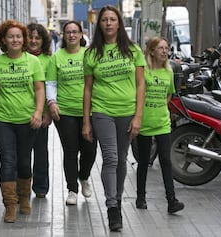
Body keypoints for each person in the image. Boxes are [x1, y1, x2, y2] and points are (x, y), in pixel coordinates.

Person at [82, 5, 145, 231]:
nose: (108, 23)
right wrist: (86, 121)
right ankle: (112, 208)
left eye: (112, 19)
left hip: (127, 112)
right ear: (99, 24)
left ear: (119, 23)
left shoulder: (133, 50)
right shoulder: (91, 53)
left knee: (121, 158)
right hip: (102, 111)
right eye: (104, 20)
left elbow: (140, 85)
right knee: (110, 158)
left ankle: (117, 198)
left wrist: (138, 116)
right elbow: (87, 89)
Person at [0, 20, 45, 223]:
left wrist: (38, 112)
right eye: (11, 36)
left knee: (24, 161)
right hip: (3, 120)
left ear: (24, 39)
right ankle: (10, 204)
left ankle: (24, 197)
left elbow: (39, 89)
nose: (15, 39)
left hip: (27, 120)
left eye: (18, 36)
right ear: (3, 40)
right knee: (8, 161)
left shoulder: (33, 62)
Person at [46, 20, 97, 206]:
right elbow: (51, 83)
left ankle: (84, 176)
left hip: (89, 112)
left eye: (75, 32)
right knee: (70, 151)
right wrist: (51, 102)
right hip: (65, 112)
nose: (72, 35)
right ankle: (72, 189)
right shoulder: (56, 58)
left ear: (81, 35)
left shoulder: (89, 55)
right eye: (68, 32)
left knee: (90, 150)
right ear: (63, 35)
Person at [135, 36, 184, 214]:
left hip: (162, 122)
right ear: (152, 51)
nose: (165, 51)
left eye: (167, 48)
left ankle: (171, 200)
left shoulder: (169, 72)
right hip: (145, 122)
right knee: (143, 162)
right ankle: (140, 197)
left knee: (166, 160)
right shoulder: (143, 72)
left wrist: (162, 107)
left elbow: (169, 94)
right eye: (161, 48)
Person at [26, 23, 52, 198]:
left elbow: (50, 87)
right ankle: (22, 185)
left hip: (41, 114)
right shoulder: (20, 58)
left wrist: (47, 113)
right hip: (21, 113)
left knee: (41, 152)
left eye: (38, 38)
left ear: (43, 41)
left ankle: (41, 187)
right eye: (30, 37)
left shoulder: (49, 60)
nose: (34, 41)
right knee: (22, 154)